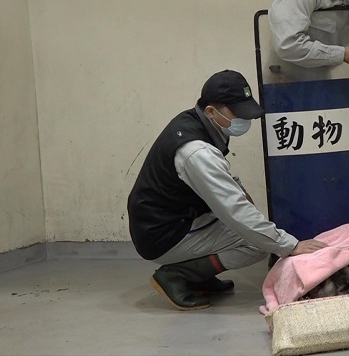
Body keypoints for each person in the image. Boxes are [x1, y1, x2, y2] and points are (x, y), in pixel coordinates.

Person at [127, 70, 327, 311]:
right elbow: (235, 211)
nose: (246, 120)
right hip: (163, 235)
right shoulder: (196, 151)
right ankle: (177, 275)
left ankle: (199, 274)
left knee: (255, 226)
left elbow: (227, 192)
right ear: (211, 111)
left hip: (173, 220)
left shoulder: (197, 121)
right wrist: (289, 245)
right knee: (259, 243)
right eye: (238, 113)